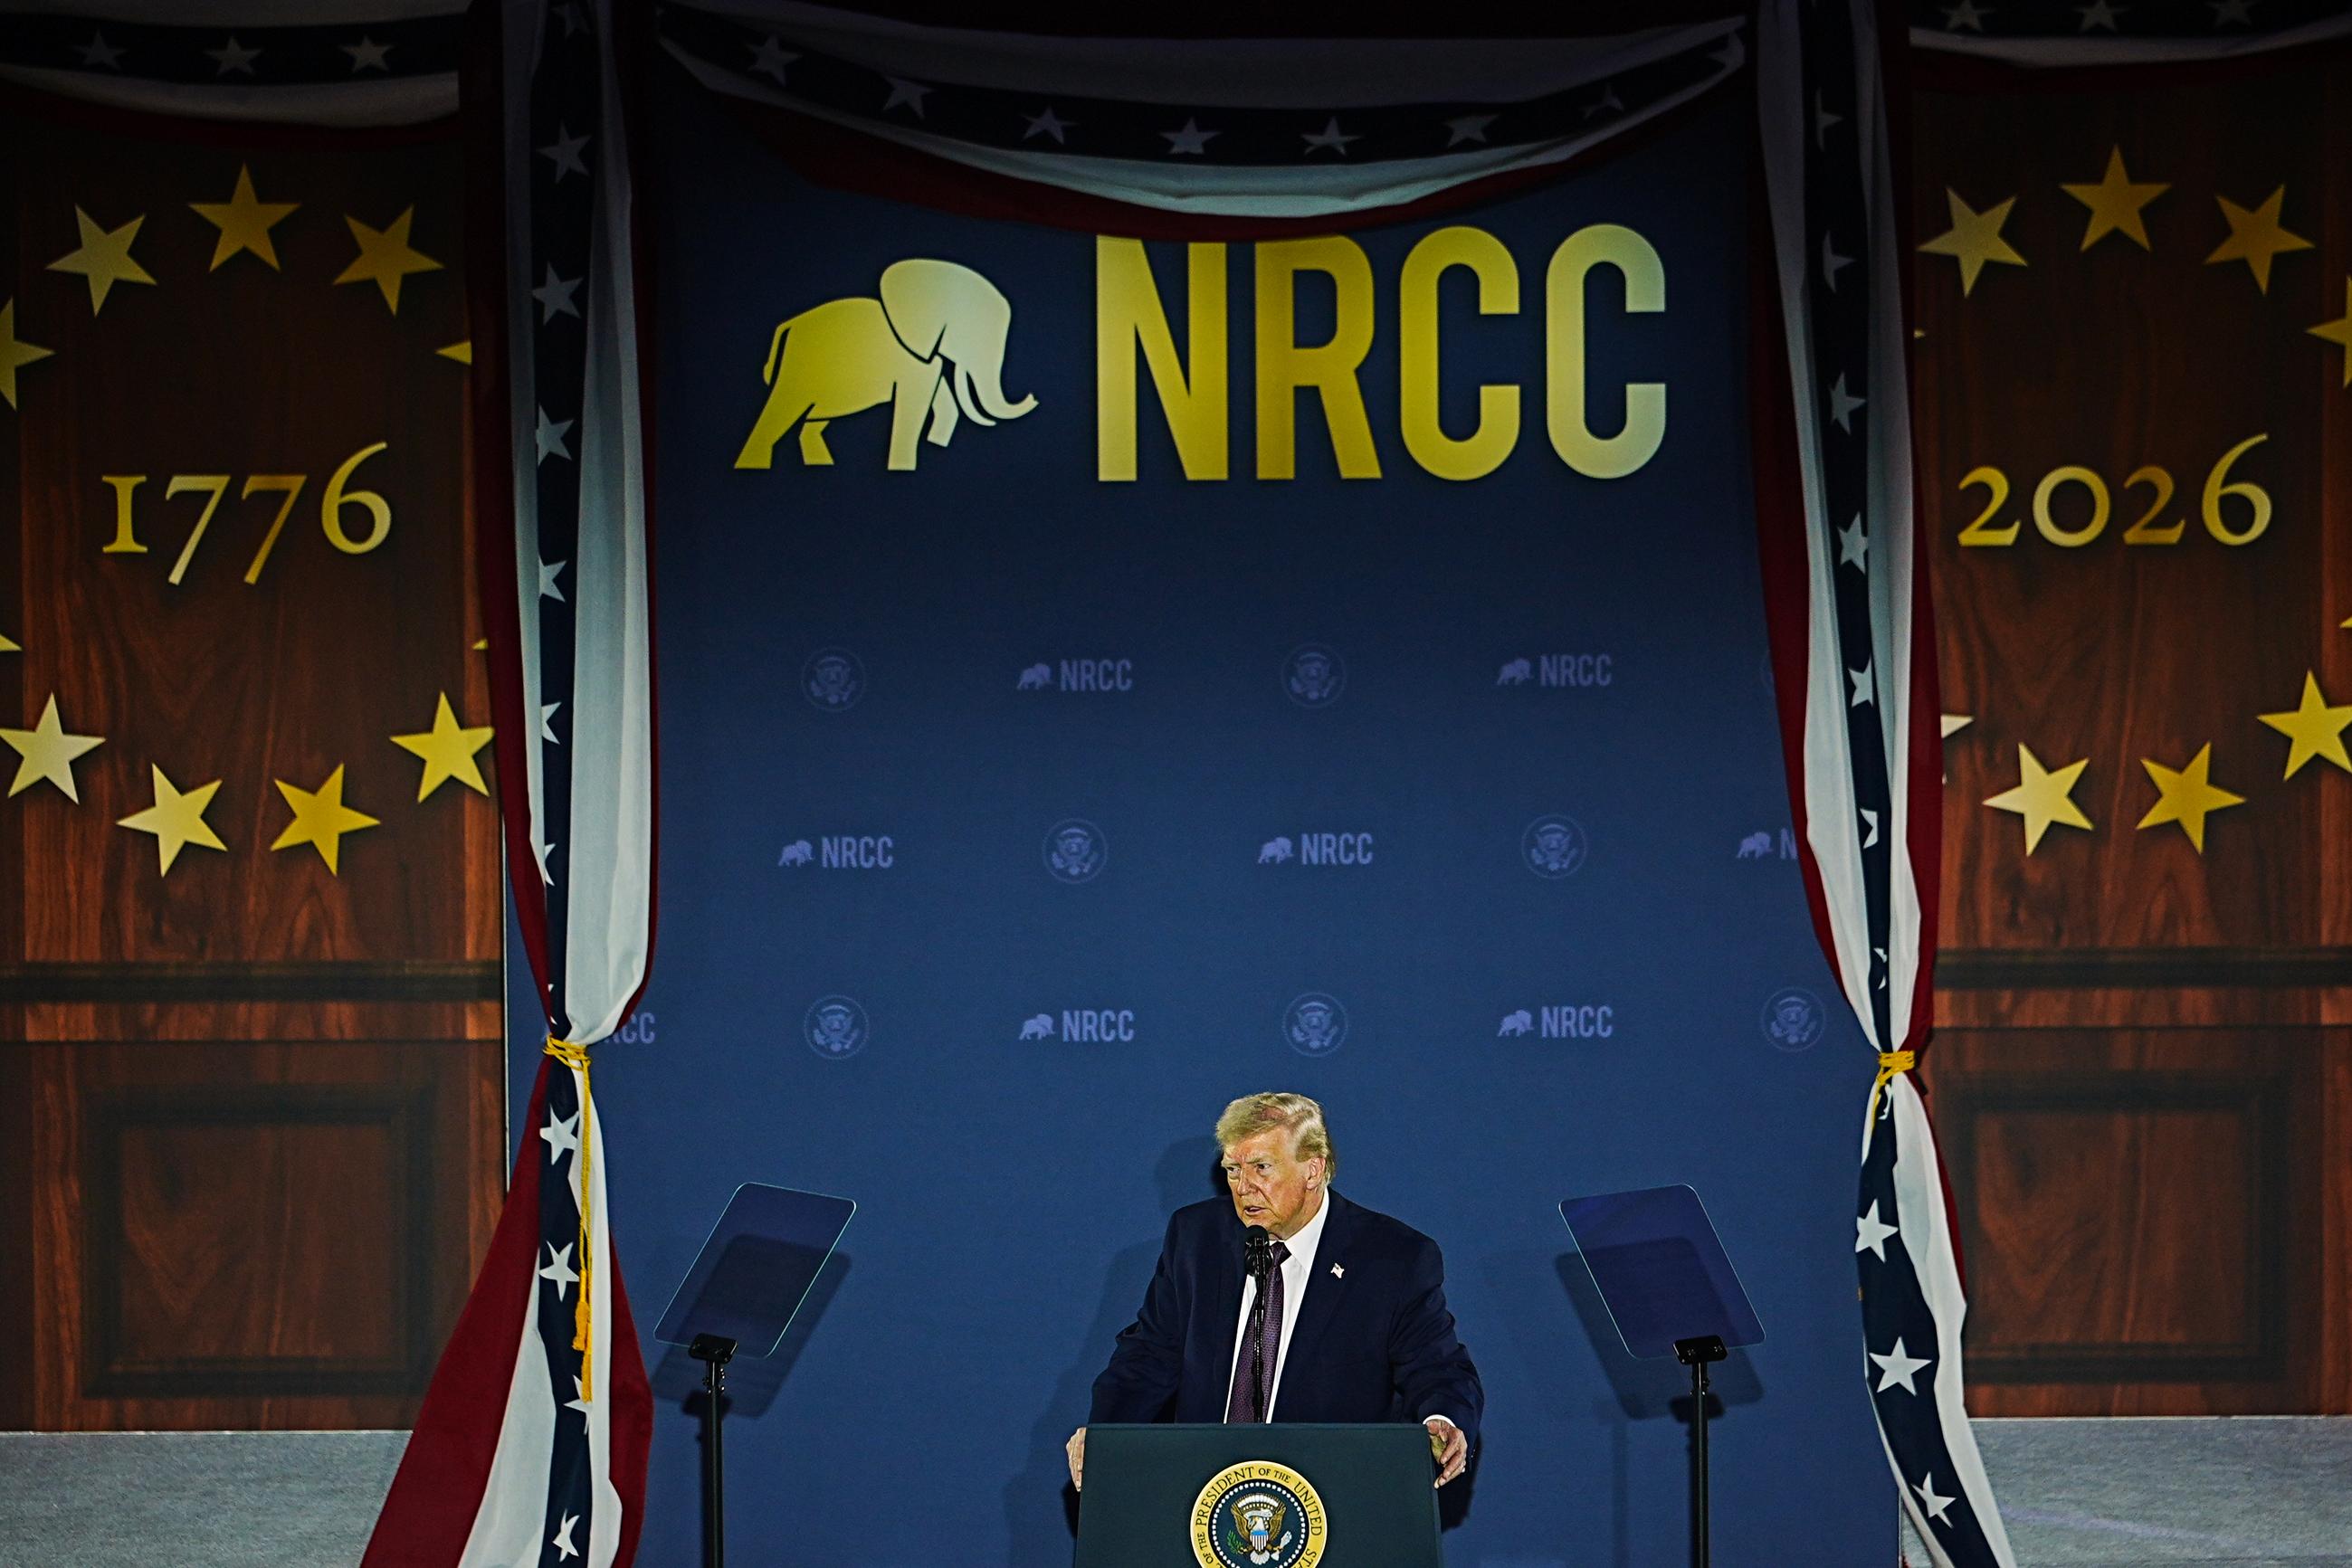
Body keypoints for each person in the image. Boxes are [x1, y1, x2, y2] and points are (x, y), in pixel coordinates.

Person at [1066, 1092, 1482, 1492]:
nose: (1243, 1187)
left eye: (1261, 1168)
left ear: (1313, 1170)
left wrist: (1442, 1420)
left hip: (1333, 1494)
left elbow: (1437, 1367)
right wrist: (1106, 1435)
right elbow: (1149, 1356)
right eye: (1232, 1170)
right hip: (1203, 1492)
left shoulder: (1393, 1258)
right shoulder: (1197, 1238)